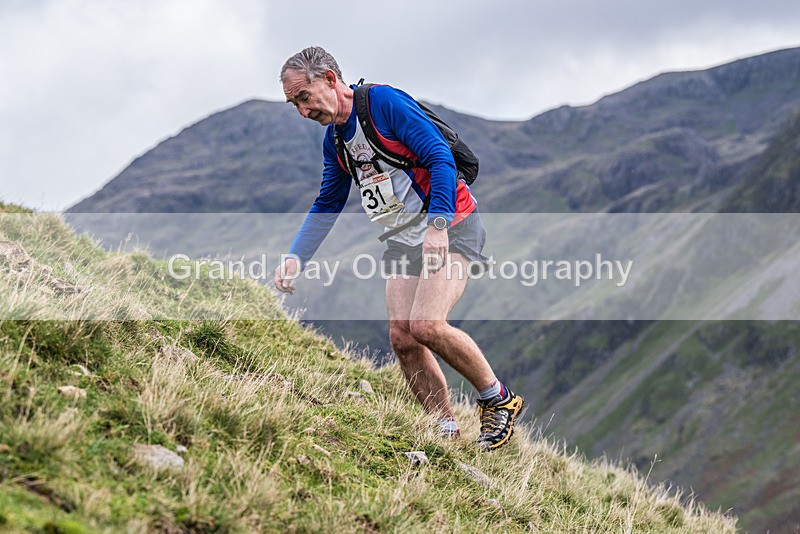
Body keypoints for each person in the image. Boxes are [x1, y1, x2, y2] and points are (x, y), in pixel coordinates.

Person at [274, 46, 524, 451]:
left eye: (304, 97)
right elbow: (328, 201)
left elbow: (440, 157)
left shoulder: (383, 103)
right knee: (403, 338)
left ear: (330, 80)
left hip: (452, 225)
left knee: (426, 325)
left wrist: (438, 225)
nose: (303, 111)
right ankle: (444, 430)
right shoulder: (335, 141)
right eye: (294, 105)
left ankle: (498, 399)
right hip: (404, 238)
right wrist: (295, 257)